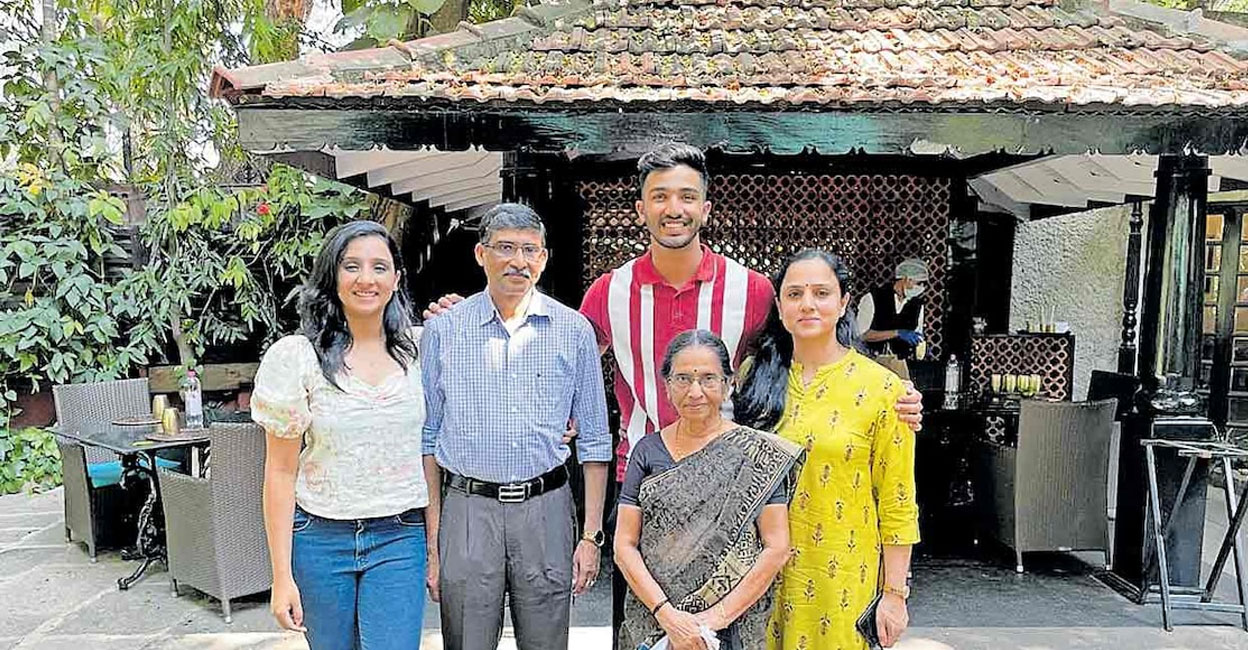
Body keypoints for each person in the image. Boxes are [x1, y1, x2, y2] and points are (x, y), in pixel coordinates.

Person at [425, 143, 926, 641]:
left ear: (706, 208)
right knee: (646, 632)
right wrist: (464, 318)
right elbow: (555, 356)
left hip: (735, 495)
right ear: (641, 208)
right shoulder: (609, 293)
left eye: (687, 196)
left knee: (724, 634)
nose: (674, 208)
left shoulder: (749, 291)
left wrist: (889, 393)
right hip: (646, 488)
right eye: (659, 196)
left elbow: (799, 349)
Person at [420, 203, 611, 650]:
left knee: (546, 640)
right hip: (467, 507)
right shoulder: (445, 331)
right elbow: (427, 440)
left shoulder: (574, 330)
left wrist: (590, 536)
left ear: (544, 259)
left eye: (530, 250)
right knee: (466, 638)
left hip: (546, 507)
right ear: (480, 254)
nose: (517, 261)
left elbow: (597, 440)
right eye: (505, 248)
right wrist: (433, 543)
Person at [253, 220, 429, 650]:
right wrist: (281, 577)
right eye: (352, 266)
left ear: (396, 279)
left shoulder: (422, 349)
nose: (366, 279)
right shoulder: (297, 358)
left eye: (379, 267)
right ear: (332, 275)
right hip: (319, 539)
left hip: (399, 536)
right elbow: (279, 472)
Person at [737, 249, 920, 650]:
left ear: (843, 303)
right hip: (757, 578)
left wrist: (895, 594)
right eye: (794, 293)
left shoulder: (883, 390)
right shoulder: (752, 378)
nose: (807, 304)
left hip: (841, 579)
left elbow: (897, 500)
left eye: (821, 293)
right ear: (780, 306)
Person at [616, 330, 805, 650]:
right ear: (666, 386)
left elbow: (777, 547)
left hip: (730, 627)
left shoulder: (755, 455)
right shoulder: (647, 451)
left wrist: (710, 621)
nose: (695, 391)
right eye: (683, 379)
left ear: (728, 384)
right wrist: (669, 617)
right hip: (655, 622)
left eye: (708, 378)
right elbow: (624, 544)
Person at [857, 258, 929, 360]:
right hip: (871, 360)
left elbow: (918, 335)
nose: (921, 288)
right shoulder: (873, 298)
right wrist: (897, 333)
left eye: (924, 284)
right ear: (906, 279)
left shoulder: (917, 305)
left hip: (900, 362)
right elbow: (862, 335)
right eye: (919, 283)